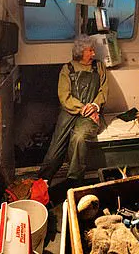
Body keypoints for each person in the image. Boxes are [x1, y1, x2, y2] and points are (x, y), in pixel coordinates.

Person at [38, 34, 108, 187]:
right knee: (55, 148)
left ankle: (74, 181)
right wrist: (82, 108)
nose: (94, 54)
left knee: (79, 138)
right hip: (69, 111)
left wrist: (94, 106)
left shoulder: (99, 67)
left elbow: (103, 91)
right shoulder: (67, 69)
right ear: (81, 52)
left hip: (91, 114)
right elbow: (64, 96)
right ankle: (42, 183)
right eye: (90, 51)